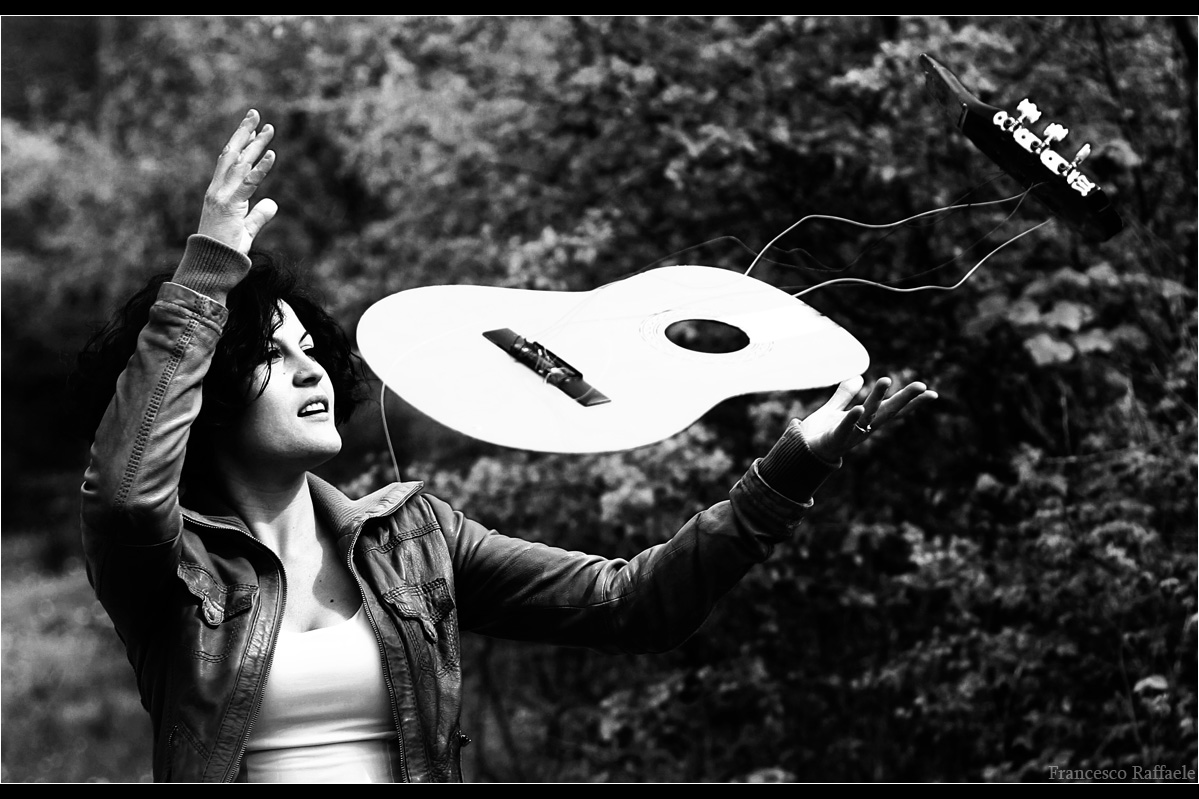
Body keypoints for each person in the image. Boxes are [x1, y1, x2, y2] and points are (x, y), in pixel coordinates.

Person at [76, 110, 937, 783]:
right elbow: (124, 491)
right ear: (210, 390)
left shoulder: (416, 542)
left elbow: (633, 603)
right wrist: (209, 271)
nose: (312, 371)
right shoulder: (168, 570)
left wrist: (793, 465)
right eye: (271, 354)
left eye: (312, 348)